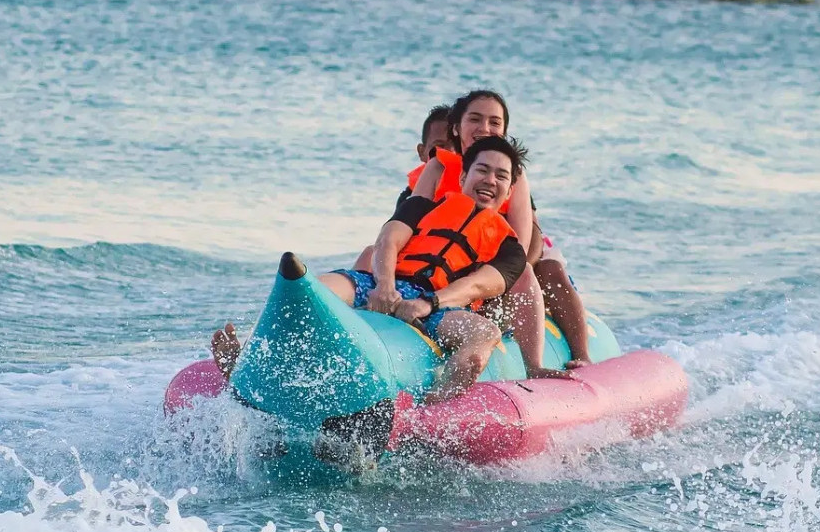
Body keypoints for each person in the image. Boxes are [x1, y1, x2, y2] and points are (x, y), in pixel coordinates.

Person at [217, 136, 531, 402]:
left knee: (484, 335)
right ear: (463, 177)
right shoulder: (424, 206)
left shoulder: (511, 248)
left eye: (501, 175)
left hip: (440, 306)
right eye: (482, 170)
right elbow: (388, 241)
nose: (490, 180)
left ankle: (434, 407)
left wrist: (428, 303)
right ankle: (245, 362)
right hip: (383, 283)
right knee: (312, 290)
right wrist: (384, 285)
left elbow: (479, 285)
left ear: (510, 189)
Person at [410, 90, 594, 369]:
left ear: (505, 131)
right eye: (475, 119)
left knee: (545, 270)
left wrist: (497, 279)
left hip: (502, 265)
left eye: (494, 122)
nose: (485, 128)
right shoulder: (438, 167)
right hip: (447, 264)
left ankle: (581, 355)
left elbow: (526, 243)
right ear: (457, 128)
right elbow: (407, 226)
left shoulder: (511, 173)